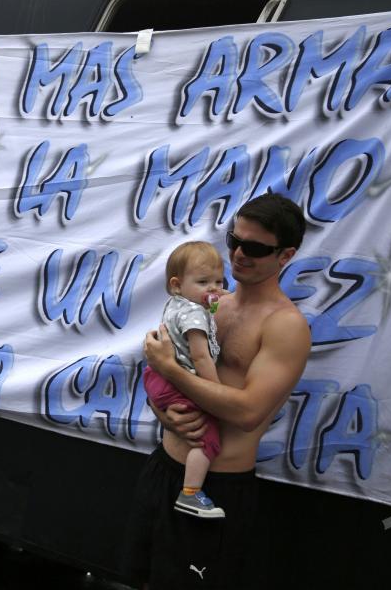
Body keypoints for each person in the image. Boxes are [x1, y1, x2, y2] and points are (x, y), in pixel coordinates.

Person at [126, 192, 311, 589]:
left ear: (286, 255)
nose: (240, 254)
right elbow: (165, 378)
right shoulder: (212, 305)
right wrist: (163, 411)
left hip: (216, 490)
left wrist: (170, 371)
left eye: (256, 247)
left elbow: (248, 412)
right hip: (163, 471)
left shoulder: (285, 326)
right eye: (234, 240)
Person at [143, 241, 226, 519]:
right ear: (177, 285)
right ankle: (190, 494)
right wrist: (217, 393)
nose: (214, 289)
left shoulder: (176, 304)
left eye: (219, 281)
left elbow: (214, 303)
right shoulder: (194, 313)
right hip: (176, 383)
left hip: (156, 379)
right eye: (204, 281)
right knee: (208, 439)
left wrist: (215, 294)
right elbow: (201, 358)